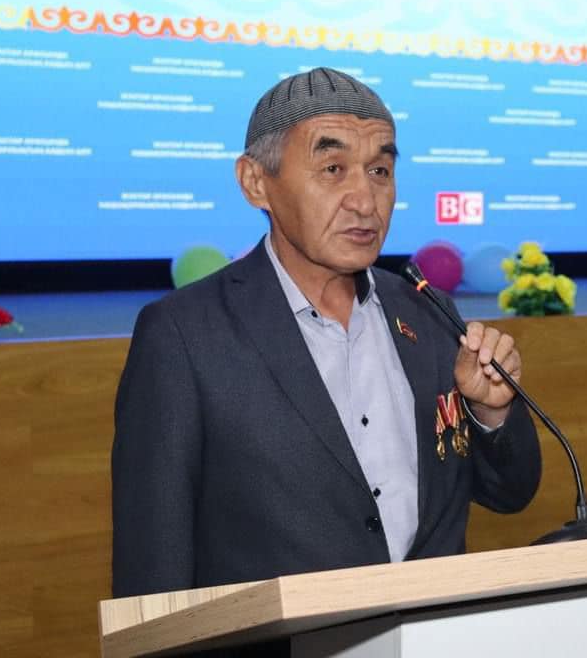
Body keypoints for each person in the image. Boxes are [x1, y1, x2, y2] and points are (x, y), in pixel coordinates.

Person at [111, 67, 542, 599]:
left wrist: (490, 413)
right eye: (333, 168)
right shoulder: (184, 335)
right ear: (255, 182)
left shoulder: (428, 313)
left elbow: (511, 494)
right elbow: (152, 566)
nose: (365, 200)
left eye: (380, 170)